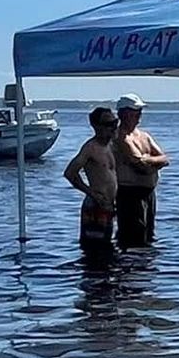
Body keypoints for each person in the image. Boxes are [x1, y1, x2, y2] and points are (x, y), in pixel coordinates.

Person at [63, 107, 121, 266]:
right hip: (96, 205)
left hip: (109, 206)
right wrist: (92, 193)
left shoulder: (111, 146)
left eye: (115, 123)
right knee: (94, 252)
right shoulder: (90, 148)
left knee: (108, 249)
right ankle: (93, 285)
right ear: (97, 126)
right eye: (109, 124)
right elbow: (70, 173)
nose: (113, 127)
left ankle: (106, 285)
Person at [111, 93, 170, 248]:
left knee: (148, 233)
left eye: (139, 112)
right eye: (134, 112)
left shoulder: (143, 135)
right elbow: (139, 167)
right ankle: (129, 267)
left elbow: (164, 158)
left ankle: (144, 267)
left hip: (148, 192)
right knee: (133, 235)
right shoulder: (120, 137)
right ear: (123, 114)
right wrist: (149, 162)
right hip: (129, 192)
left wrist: (147, 159)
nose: (138, 116)